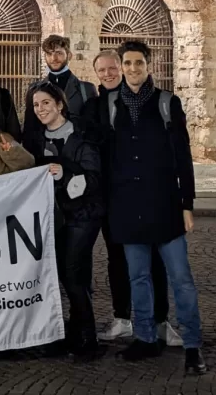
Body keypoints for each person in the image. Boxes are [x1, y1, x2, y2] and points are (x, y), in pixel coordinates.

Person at [105, 41, 205, 374]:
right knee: (138, 277)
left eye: (138, 63)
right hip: (128, 206)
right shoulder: (112, 105)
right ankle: (145, 337)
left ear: (149, 66)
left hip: (164, 205)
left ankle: (193, 344)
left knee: (181, 279)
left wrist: (187, 205)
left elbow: (183, 159)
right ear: (121, 66)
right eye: (128, 63)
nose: (133, 69)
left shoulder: (167, 103)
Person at [85, 48, 175, 345]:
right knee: (117, 260)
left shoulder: (142, 103)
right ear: (96, 74)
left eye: (113, 68)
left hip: (142, 193)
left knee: (154, 259)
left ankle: (160, 322)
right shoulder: (94, 106)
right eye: (103, 70)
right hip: (111, 195)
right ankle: (122, 318)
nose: (109, 73)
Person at [23, 81, 105, 359]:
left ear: (59, 105)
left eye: (46, 102)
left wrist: (65, 176)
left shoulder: (80, 136)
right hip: (55, 217)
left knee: (72, 273)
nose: (40, 109)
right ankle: (74, 330)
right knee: (63, 274)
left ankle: (88, 337)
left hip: (83, 216)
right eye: (36, 105)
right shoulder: (37, 140)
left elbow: (94, 178)